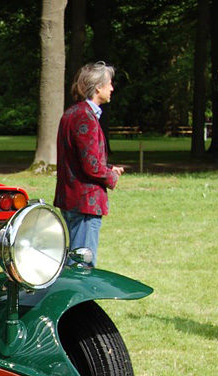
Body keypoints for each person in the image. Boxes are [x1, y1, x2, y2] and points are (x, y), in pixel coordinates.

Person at [54, 61, 126, 266]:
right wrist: (111, 175)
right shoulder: (84, 116)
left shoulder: (72, 113)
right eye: (109, 83)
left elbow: (82, 157)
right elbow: (92, 166)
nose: (112, 88)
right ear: (98, 87)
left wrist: (108, 167)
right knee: (82, 265)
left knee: (75, 260)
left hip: (72, 198)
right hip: (84, 203)